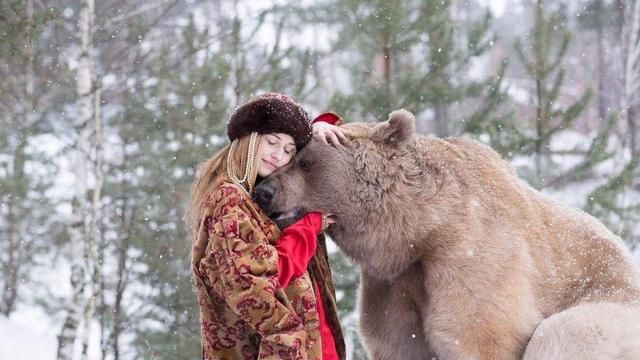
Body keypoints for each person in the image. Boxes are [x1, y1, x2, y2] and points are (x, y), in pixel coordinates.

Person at [187, 92, 347, 360]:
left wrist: (318, 129)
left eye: (288, 150)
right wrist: (308, 227)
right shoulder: (228, 201)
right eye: (271, 141)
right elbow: (263, 281)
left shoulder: (255, 198)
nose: (278, 155)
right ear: (250, 139)